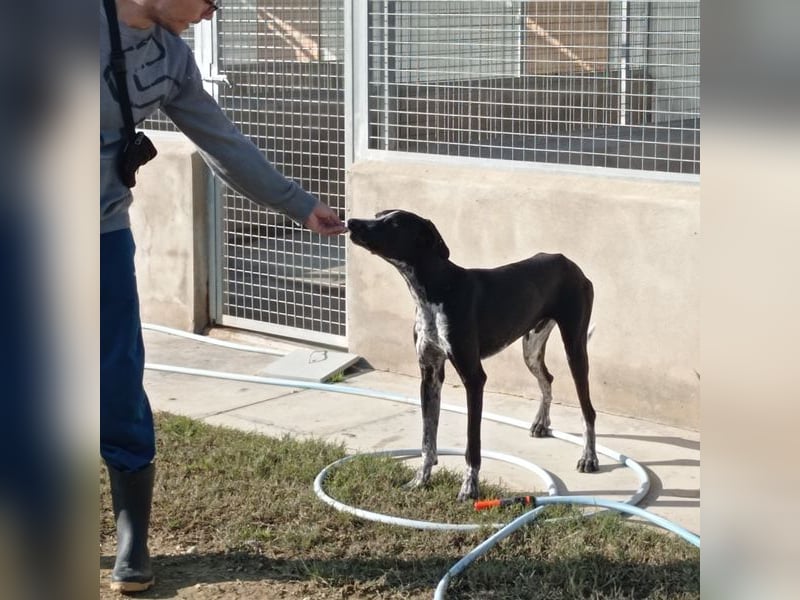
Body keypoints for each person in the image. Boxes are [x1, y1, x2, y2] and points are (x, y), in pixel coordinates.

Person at [101, 0, 346, 592]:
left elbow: (222, 141)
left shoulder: (170, 55)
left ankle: (132, 533)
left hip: (98, 233)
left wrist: (296, 202)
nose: (212, 12)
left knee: (115, 382)